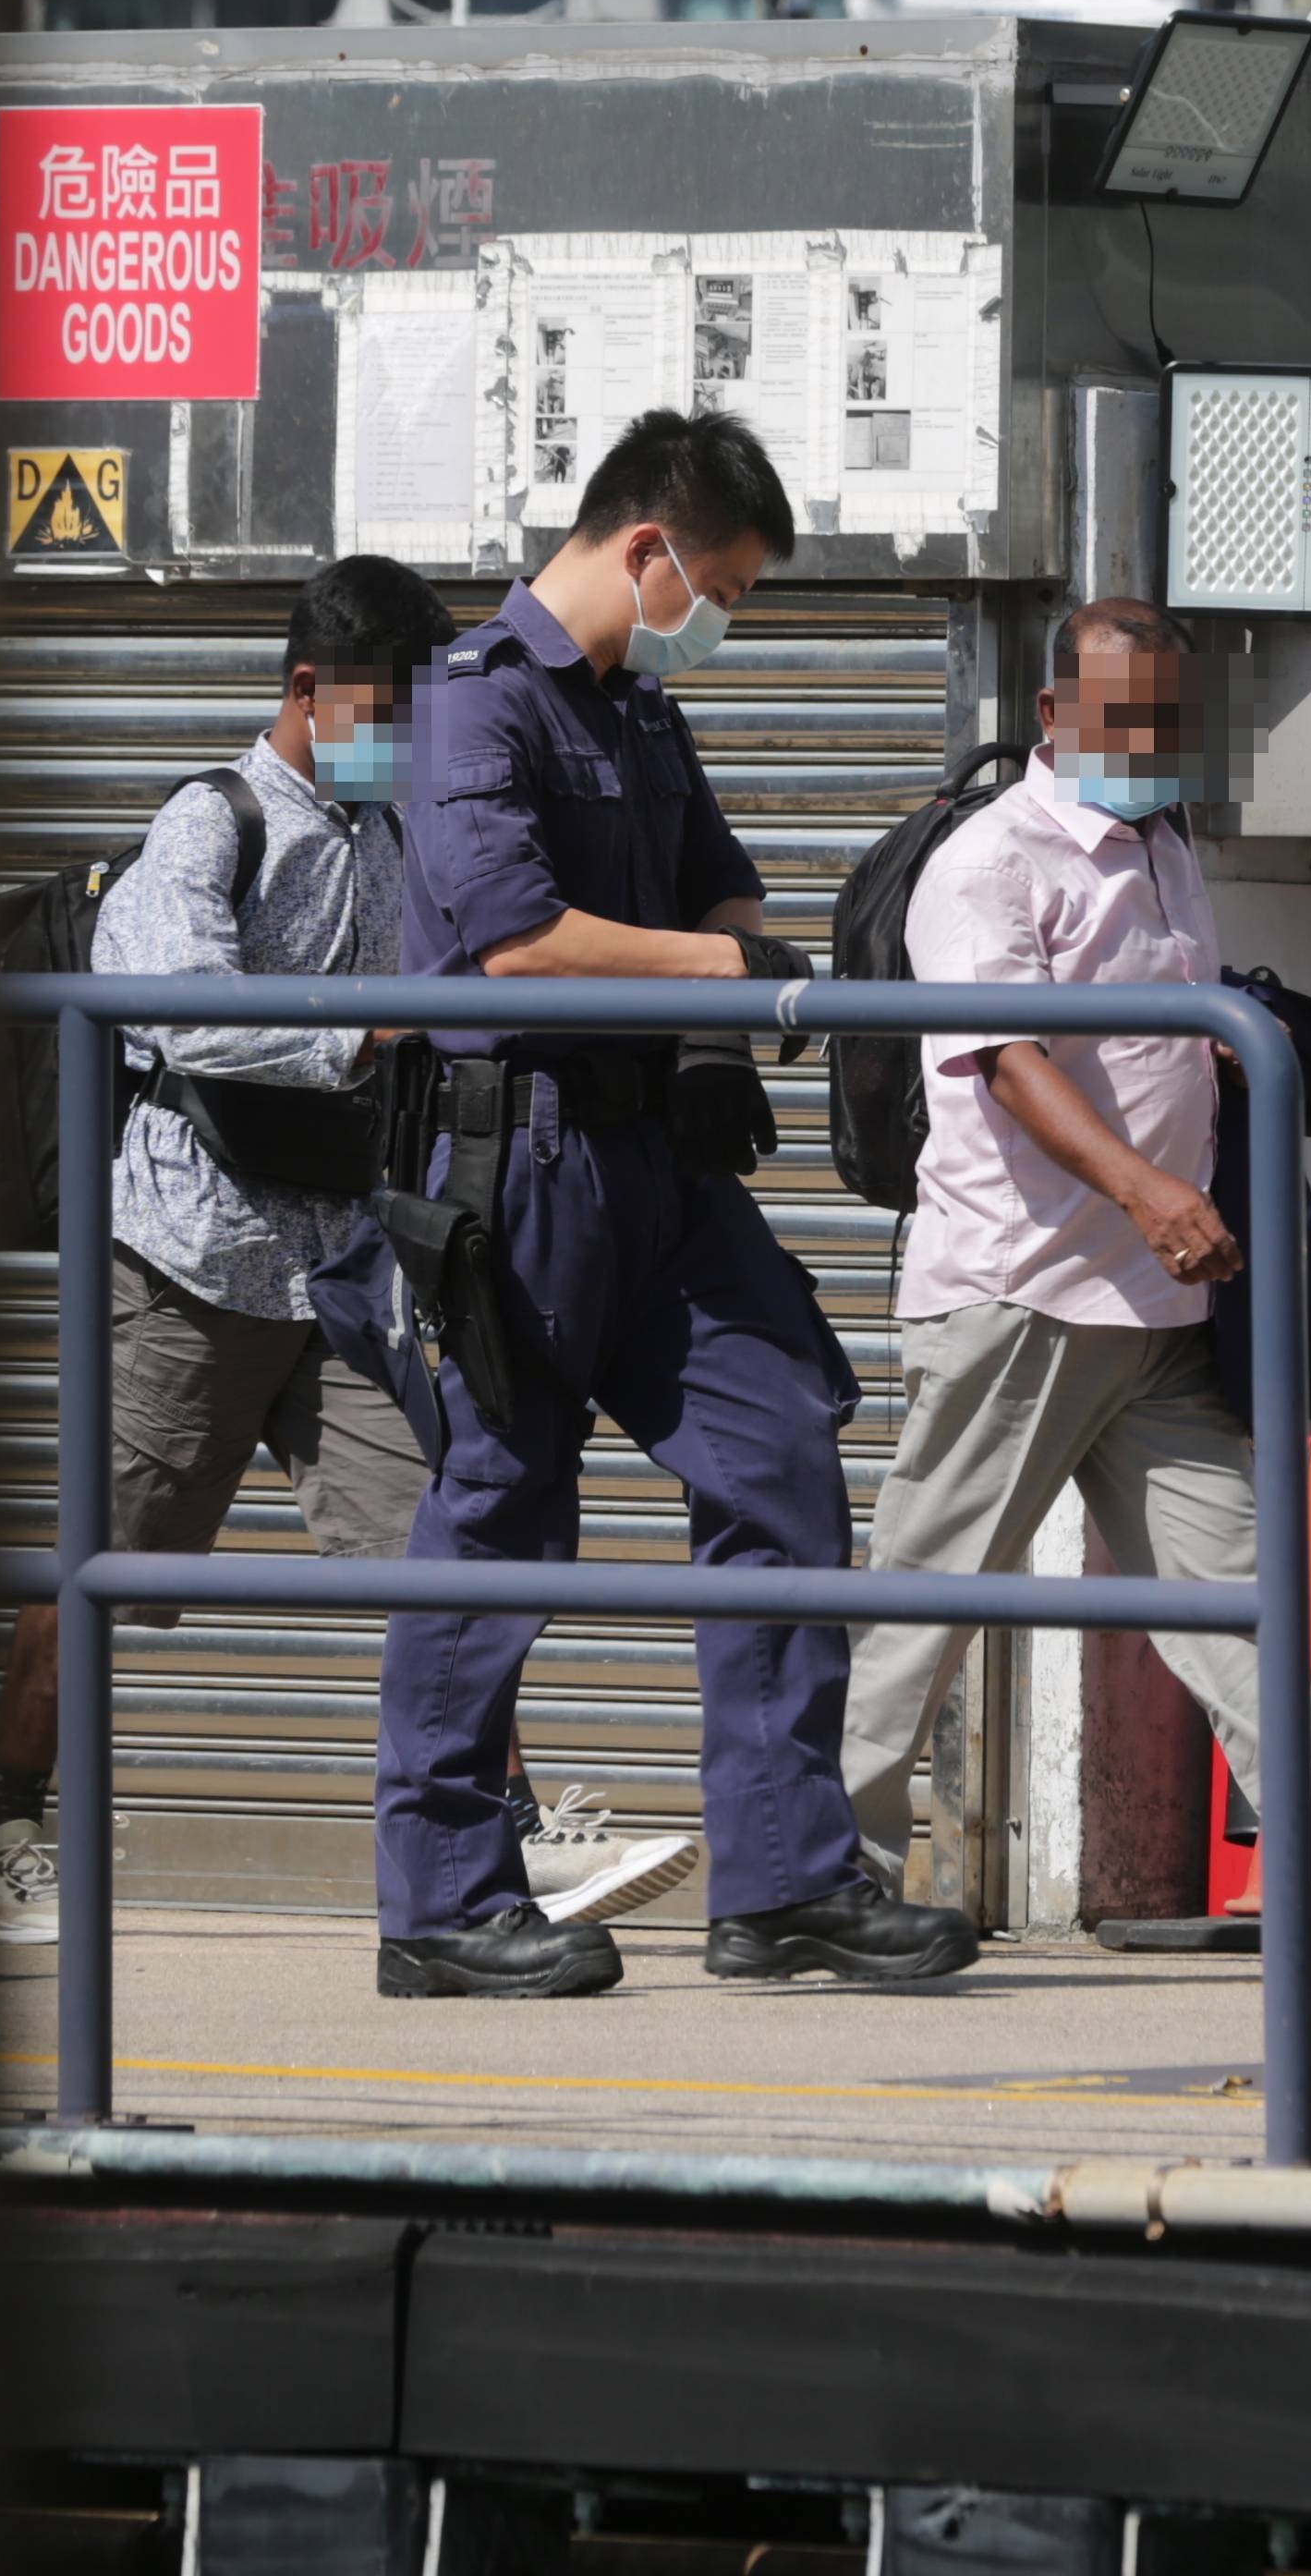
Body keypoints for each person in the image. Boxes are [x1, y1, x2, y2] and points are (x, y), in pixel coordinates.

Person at [0, 556, 700, 1943]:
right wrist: (361, 1023)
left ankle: (510, 1833)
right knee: (94, 1568)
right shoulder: (212, 823)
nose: (413, 745)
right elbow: (171, 1013)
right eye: (389, 710)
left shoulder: (394, 830)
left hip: (349, 1273)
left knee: (439, 1543)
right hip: (190, 1267)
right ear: (310, 690)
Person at [372, 407, 986, 1997]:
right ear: (647, 550)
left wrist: (720, 1007)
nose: (723, 623)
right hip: (527, 1161)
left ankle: (782, 1882)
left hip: (654, 1163)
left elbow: (726, 884)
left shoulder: (641, 714)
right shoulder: (472, 707)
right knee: (502, 1506)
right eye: (719, 587)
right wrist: (728, 972)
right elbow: (512, 940)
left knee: (780, 1440)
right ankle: (442, 1902)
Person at [847, 597, 1311, 1958]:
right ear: (1051, 717)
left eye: (1165, 722)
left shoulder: (1161, 846)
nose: (1146, 744)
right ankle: (817, 1865)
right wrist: (1151, 1193)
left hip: (1152, 1311)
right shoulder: (991, 862)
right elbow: (1011, 1062)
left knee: (1229, 1585)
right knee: (930, 1589)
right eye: (1120, 719)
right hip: (1021, 1295)